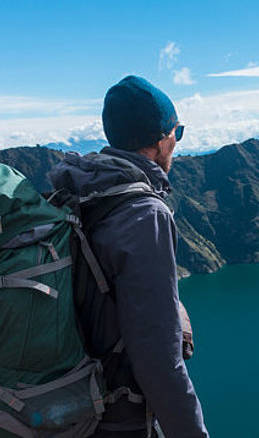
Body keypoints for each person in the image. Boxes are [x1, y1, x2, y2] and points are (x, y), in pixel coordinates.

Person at [48, 75, 209, 437]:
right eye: (176, 133)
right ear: (159, 140)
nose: (177, 144)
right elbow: (159, 361)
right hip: (114, 422)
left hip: (62, 408)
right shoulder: (144, 215)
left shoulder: (77, 188)